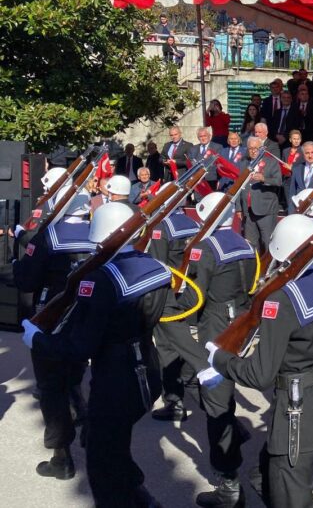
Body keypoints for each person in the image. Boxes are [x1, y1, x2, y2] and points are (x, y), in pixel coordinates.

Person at [21, 203, 171, 507]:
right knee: (114, 446)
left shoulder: (99, 280)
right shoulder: (157, 267)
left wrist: (38, 340)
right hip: (147, 370)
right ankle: (140, 497)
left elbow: (80, 347)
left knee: (102, 468)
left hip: (114, 381)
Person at [204, 215, 313, 508]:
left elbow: (260, 375)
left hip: (296, 408)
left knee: (293, 496)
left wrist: (220, 360)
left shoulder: (281, 300)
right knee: (268, 475)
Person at [157, 193, 256, 508]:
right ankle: (233, 428)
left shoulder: (207, 248)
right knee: (194, 376)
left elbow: (194, 297)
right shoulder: (246, 244)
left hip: (216, 327)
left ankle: (229, 484)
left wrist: (167, 302)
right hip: (240, 320)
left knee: (214, 400)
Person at [14, 190, 93, 481]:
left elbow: (26, 280)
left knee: (51, 387)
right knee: (74, 372)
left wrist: (16, 265)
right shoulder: (100, 233)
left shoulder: (48, 237)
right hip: (87, 315)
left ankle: (62, 456)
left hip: (53, 315)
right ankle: (83, 417)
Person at [147, 188, 201, 424]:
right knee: (184, 344)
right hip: (190, 292)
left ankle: (174, 401)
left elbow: (158, 265)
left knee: (167, 348)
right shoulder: (193, 223)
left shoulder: (162, 227)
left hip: (169, 295)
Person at [240, 136, 282, 252]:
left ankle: (269, 263)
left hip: (266, 210)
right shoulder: (244, 163)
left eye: (256, 148)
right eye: (250, 148)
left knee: (268, 242)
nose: (253, 151)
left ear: (262, 148)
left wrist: (264, 179)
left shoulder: (272, 162)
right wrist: (239, 208)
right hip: (248, 211)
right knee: (251, 244)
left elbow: (278, 181)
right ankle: (254, 263)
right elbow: (239, 186)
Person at [191, 126, 223, 192]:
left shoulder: (217, 147)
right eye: (200, 136)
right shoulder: (193, 148)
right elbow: (191, 162)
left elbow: (218, 163)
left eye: (205, 136)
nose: (203, 138)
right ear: (198, 138)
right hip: (197, 180)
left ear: (209, 136)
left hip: (212, 180)